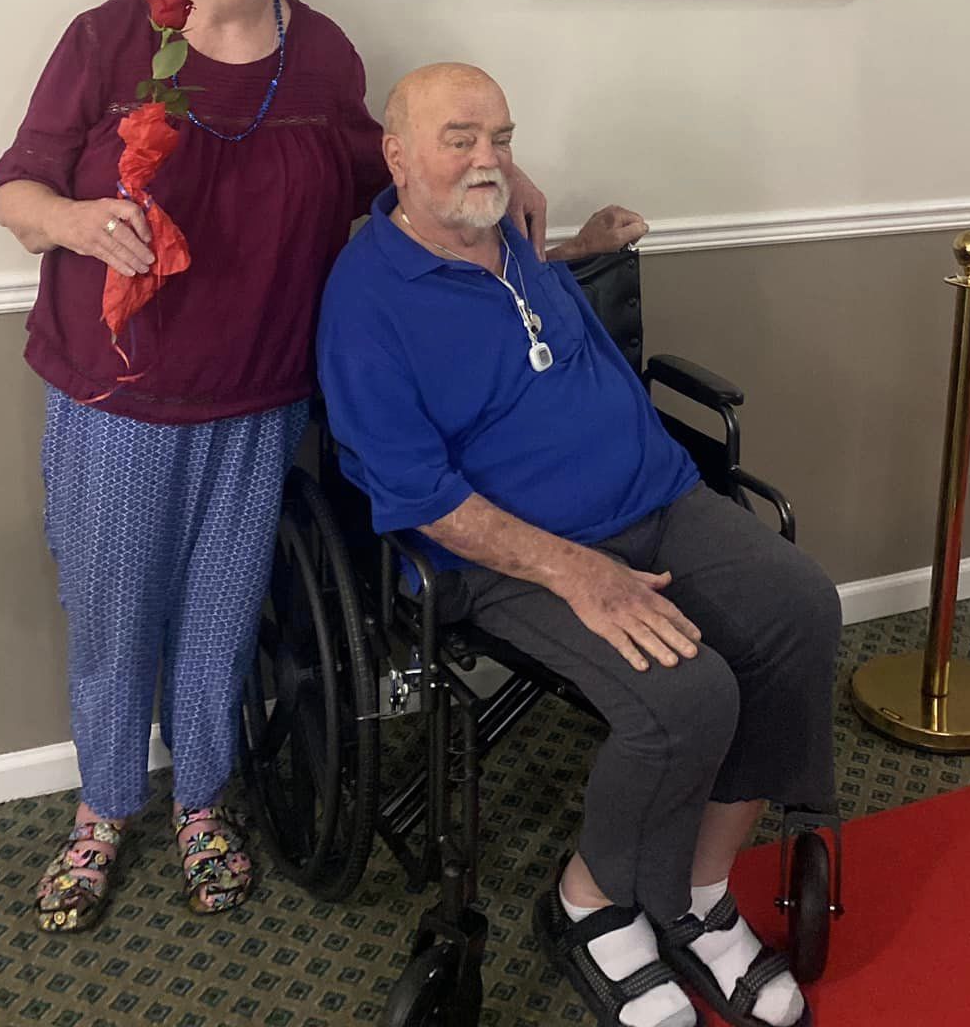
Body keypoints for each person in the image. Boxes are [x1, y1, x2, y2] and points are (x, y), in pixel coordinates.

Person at [0, 0, 618, 933]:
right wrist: (82, 220)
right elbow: (16, 190)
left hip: (263, 388)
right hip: (119, 390)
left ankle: (199, 801)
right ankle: (101, 810)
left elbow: (389, 162)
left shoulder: (321, 51)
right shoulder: (107, 37)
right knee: (113, 611)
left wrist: (496, 161)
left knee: (227, 610)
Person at [317, 63, 841, 1027]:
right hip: (507, 558)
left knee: (801, 612)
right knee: (688, 691)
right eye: (461, 138)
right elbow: (418, 493)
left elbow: (532, 343)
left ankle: (699, 886)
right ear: (395, 154)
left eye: (503, 138)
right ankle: (588, 902)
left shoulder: (510, 241)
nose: (490, 159)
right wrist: (579, 570)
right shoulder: (367, 301)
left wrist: (566, 247)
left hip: (659, 500)